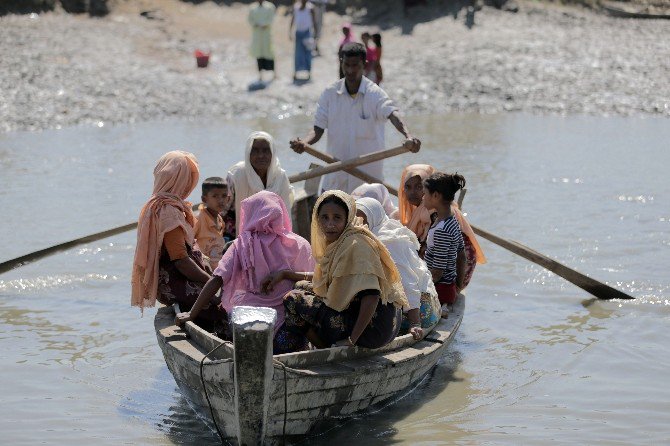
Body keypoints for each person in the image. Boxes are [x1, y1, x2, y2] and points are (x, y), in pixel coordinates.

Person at [175, 191, 314, 354]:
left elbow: (216, 279)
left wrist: (191, 314)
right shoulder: (299, 244)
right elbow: (311, 284)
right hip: (289, 332)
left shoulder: (241, 244)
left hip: (249, 330)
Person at [283, 190, 409, 349]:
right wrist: (286, 275)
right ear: (317, 219)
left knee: (292, 299)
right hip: (383, 325)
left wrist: (351, 340)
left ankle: (326, 351)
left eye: (337, 218)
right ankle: (328, 343)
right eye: (324, 218)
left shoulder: (355, 245)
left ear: (347, 218)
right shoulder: (343, 241)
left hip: (372, 331)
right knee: (300, 286)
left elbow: (372, 295)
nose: (330, 224)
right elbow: (325, 278)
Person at [290, 42, 421, 193]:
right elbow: (317, 129)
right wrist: (304, 143)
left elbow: (393, 114)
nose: (350, 70)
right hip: (335, 181)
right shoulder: (330, 94)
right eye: (347, 65)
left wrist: (408, 136)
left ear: (364, 65)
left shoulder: (375, 94)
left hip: (368, 184)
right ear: (341, 63)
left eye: (355, 65)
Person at [131, 151, 224, 329]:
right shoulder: (168, 211)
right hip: (175, 283)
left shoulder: (159, 204)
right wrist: (210, 280)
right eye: (187, 178)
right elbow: (181, 261)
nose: (189, 184)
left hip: (175, 280)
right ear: (178, 180)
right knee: (222, 308)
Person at [355, 197, 440, 339]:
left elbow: (407, 281)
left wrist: (415, 323)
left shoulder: (389, 241)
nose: (358, 224)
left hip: (419, 308)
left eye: (362, 220)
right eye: (354, 220)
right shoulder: (364, 238)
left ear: (373, 218)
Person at [396, 163, 486, 286]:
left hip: (446, 278)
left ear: (435, 193)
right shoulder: (442, 213)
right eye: (408, 187)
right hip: (452, 274)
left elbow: (438, 268)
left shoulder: (436, 217)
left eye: (419, 187)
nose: (413, 192)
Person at [227, 131, 294, 232]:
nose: (261, 155)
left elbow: (285, 215)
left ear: (273, 153)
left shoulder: (280, 177)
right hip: (242, 236)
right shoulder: (236, 175)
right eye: (255, 150)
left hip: (274, 237)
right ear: (248, 153)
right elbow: (223, 209)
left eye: (266, 150)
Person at [422, 172, 468, 313]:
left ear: (436, 196)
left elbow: (437, 273)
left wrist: (418, 285)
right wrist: (458, 285)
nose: (423, 197)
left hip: (439, 290)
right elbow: (462, 255)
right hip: (447, 289)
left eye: (425, 194)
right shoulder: (451, 220)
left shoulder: (442, 230)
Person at [194, 176, 229, 270]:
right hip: (201, 270)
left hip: (216, 271)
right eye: (215, 196)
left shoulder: (220, 220)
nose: (221, 200)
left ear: (228, 199)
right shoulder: (198, 219)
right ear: (204, 199)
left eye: (224, 196)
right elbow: (188, 245)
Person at [248, 0, 276, 82]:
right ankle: (260, 75)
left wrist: (264, 24)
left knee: (270, 53)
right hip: (257, 35)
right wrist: (256, 24)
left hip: (266, 35)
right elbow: (250, 20)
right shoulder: (252, 8)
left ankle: (274, 74)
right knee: (259, 55)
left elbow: (271, 19)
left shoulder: (270, 7)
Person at [289, 0, 316, 81]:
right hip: (298, 33)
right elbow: (293, 19)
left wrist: (316, 34)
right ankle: (296, 73)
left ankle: (309, 73)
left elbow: (314, 21)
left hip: (307, 33)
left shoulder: (310, 8)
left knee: (308, 53)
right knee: (298, 53)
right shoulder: (296, 7)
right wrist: (289, 31)